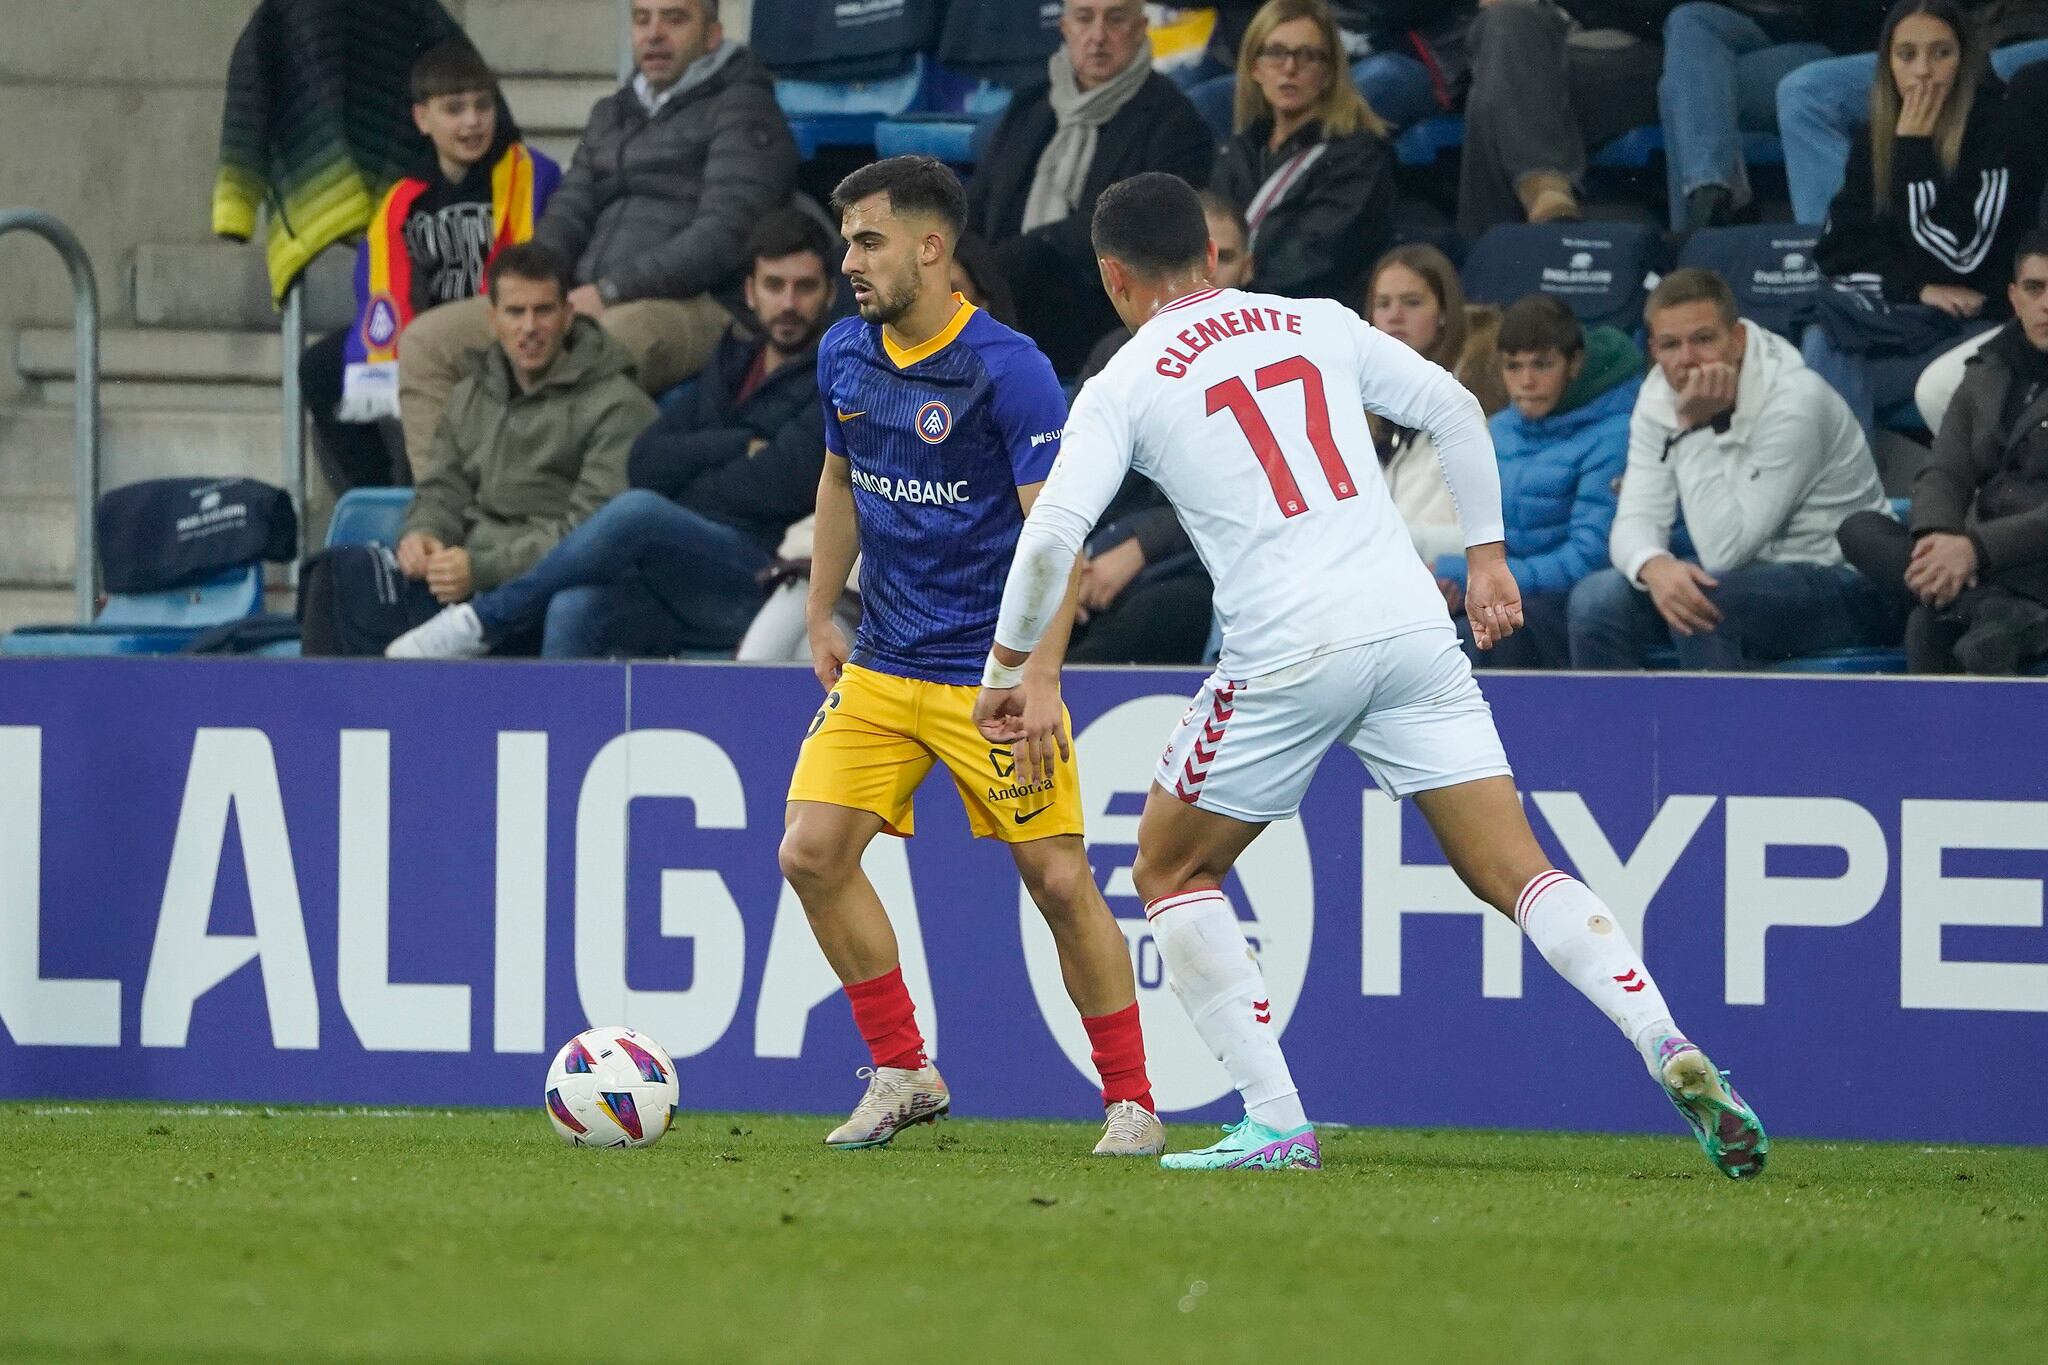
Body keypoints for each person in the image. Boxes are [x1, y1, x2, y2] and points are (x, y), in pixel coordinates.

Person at [977, 172, 1768, 1177]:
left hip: (1285, 646)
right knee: (1518, 872)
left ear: (1112, 276)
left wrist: (1006, 666)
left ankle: (1274, 1121)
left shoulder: (1122, 384)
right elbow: (1452, 406)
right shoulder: (1310, 320)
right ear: (1213, 256)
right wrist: (1485, 556)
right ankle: (1662, 1036)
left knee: (1169, 869)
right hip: (1406, 624)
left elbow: (1051, 535)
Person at [777, 157, 1164, 1159]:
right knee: (810, 855)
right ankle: (903, 1070)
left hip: (986, 679)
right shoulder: (843, 357)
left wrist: (1036, 679)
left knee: (1059, 881)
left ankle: (1130, 1098)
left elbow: (1059, 542)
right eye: (847, 240)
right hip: (882, 662)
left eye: (867, 241)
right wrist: (822, 609)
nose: (848, 261)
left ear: (929, 246)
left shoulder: (1009, 370)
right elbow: (835, 479)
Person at [387, 210, 835, 661]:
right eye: (775, 286)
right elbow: (647, 460)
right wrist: (737, 445)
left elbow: (779, 485)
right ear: (750, 293)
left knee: (638, 511)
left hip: (764, 573)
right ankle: (557, 728)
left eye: (805, 287)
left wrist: (686, 477)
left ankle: (484, 621)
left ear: (831, 293)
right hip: (673, 569)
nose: (789, 304)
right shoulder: (731, 363)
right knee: (573, 607)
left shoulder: (838, 378)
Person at [395, 0, 799, 463]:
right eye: (642, 18)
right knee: (427, 343)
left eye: (674, 18)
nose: (654, 34)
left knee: (591, 344)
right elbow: (569, 211)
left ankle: (529, 515)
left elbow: (724, 236)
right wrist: (528, 286)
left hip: (701, 302)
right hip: (590, 296)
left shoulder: (744, 108)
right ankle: (440, 517)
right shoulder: (613, 112)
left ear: (712, 35)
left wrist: (609, 291)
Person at [311, 243, 654, 656]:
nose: (529, 327)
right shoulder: (470, 393)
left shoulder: (617, 403)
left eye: (543, 311)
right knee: (333, 574)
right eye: (515, 312)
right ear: (492, 320)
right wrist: (424, 534)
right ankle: (330, 715)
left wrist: (483, 570)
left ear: (568, 316)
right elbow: (441, 490)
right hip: (461, 579)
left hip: (539, 588)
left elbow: (591, 533)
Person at [1570, 268, 1896, 668]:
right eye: (1670, 345)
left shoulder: (1795, 401)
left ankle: (1717, 733)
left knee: (1705, 604)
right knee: (1595, 602)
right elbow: (1636, 517)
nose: (1687, 360)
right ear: (1653, 349)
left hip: (1841, 581)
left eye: (1703, 339)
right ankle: (1623, 733)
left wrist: (1693, 430)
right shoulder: (1659, 394)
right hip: (1740, 581)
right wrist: (1653, 566)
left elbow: (1726, 553)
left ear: (1737, 339)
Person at [300, 40, 560, 491]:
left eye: (483, 105)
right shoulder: (404, 199)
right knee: (322, 365)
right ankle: (374, 496)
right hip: (426, 328)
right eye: (454, 109)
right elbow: (376, 290)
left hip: (498, 324)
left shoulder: (534, 176)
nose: (472, 121)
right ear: (423, 118)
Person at [1801, 0, 2037, 438]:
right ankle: (1847, 499)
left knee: (1814, 391)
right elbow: (1837, 253)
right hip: (1912, 316)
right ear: (1887, 63)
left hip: (1979, 324)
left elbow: (1963, 258)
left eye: (1941, 53)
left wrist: (1914, 155)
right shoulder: (1875, 137)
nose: (1923, 71)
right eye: (1907, 55)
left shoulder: (1999, 131)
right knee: (1823, 340)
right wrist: (1918, 288)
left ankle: (1845, 495)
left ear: (1964, 60)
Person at [1838, 229, 2048, 671]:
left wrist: (1975, 550)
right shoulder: (1988, 367)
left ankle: (1976, 598)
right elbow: (1945, 470)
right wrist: (1938, 536)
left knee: (1929, 623)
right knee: (1859, 530)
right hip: (1983, 561)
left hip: (2032, 557)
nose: (2046, 303)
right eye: (2035, 288)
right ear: (2014, 297)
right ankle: (1982, 600)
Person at [967, 0, 1214, 374]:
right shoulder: (1031, 104)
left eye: (1115, 19)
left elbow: (1144, 231)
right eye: (1085, 19)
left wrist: (1010, 262)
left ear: (1140, 27)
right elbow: (979, 205)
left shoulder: (1174, 120)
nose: (1098, 36)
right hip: (999, 293)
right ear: (1066, 28)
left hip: (1100, 311)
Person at [1444, 295, 1640, 668]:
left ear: (1574, 363)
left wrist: (1479, 579)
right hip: (1513, 591)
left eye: (1542, 365)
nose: (1527, 381)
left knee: (1477, 635)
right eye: (1513, 367)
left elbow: (1589, 557)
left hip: (1565, 601)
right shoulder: (1497, 429)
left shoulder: (1613, 434)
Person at [1777, 0, 2048, 224]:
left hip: (2019, 35)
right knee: (1804, 93)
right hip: (1925, 31)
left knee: (2019, 83)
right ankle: (1824, 249)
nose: (1922, 73)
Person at [1210, 0, 1396, 304]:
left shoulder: (1359, 157)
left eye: (1308, 56)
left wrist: (1238, 294)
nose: (1290, 67)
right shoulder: (1237, 151)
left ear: (1328, 72)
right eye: (1276, 52)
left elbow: (1316, 258)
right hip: (1235, 312)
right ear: (1254, 66)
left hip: (1307, 322)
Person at [1656, 2, 1887, 231]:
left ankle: (1700, 233)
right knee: (1689, 21)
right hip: (1762, 33)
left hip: (1837, 49)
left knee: (1683, 89)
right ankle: (1709, 198)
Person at [1456, 1, 1675, 235]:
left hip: (1621, 56)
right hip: (1515, 51)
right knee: (1506, 24)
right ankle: (1544, 200)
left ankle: (1486, 250)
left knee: (1496, 90)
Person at [1367, 244, 1506, 564]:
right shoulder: (1352, 402)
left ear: (1444, 312)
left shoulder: (1479, 400)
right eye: (1383, 304)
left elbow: (1490, 531)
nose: (1394, 316)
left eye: (1412, 302)